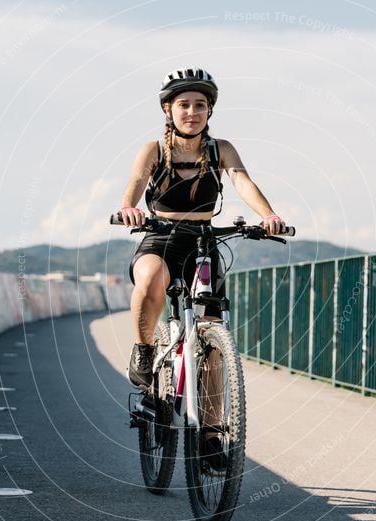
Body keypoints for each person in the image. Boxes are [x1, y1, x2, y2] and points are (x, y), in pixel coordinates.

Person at [118, 67, 286, 388]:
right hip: (160, 237)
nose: (192, 112)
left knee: (212, 347)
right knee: (152, 279)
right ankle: (143, 347)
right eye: (184, 104)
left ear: (209, 110)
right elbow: (137, 181)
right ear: (169, 109)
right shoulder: (155, 150)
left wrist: (268, 215)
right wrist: (128, 207)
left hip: (203, 241)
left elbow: (241, 180)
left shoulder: (218, 149)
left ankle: (211, 435)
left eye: (199, 105)